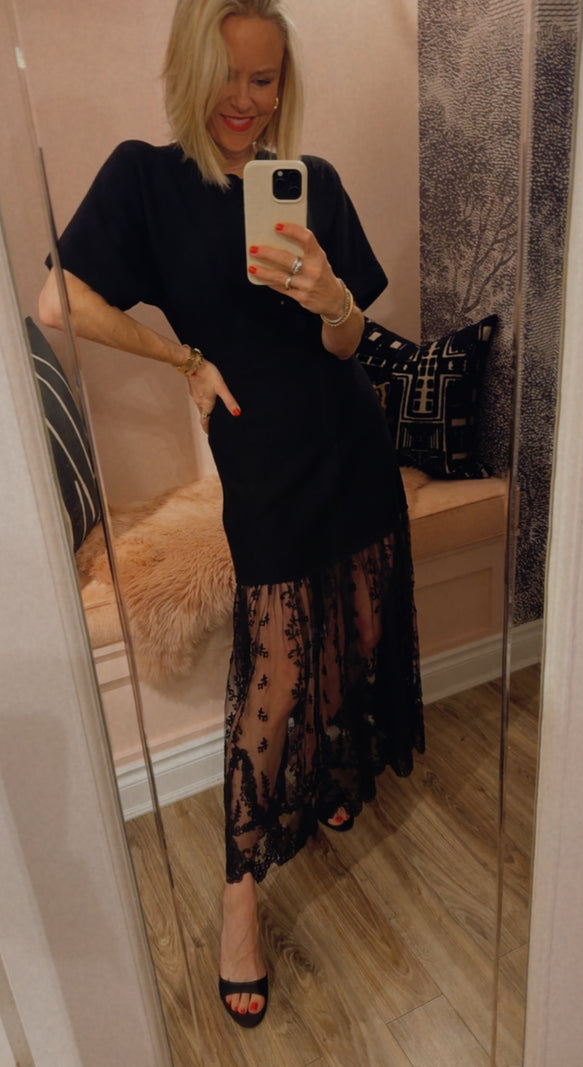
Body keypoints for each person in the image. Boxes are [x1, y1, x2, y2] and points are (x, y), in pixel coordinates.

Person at [39, 0, 424, 1030]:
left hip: (350, 443)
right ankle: (240, 900)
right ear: (189, 68)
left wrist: (334, 297)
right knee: (279, 670)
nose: (246, 101)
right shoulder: (145, 179)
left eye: (265, 79)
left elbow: (347, 344)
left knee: (360, 624)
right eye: (229, 75)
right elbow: (56, 302)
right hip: (262, 462)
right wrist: (185, 359)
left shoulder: (313, 184)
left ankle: (331, 770)